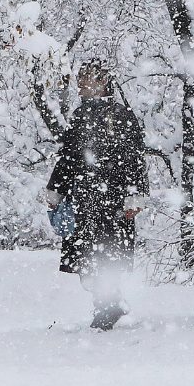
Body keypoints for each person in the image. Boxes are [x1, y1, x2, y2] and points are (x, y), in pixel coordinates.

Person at [44, 62, 148, 330]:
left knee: (107, 255)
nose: (80, 85)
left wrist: (134, 195)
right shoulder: (81, 115)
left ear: (102, 82)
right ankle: (110, 303)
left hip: (111, 199)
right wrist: (57, 189)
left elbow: (134, 158)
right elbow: (69, 157)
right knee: (90, 258)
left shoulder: (121, 116)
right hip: (86, 199)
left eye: (86, 79)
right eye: (80, 79)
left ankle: (108, 308)